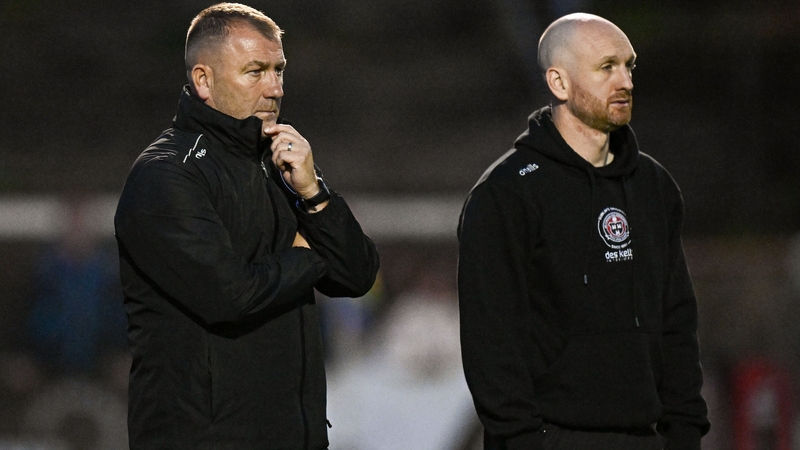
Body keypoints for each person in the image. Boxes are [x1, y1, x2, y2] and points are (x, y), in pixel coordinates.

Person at [113, 3, 379, 449]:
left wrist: (314, 194)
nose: (274, 88)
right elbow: (230, 296)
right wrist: (308, 251)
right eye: (255, 72)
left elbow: (356, 275)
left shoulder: (281, 161)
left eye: (279, 71)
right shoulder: (166, 174)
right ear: (204, 80)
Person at [457, 13, 709, 450]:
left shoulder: (654, 186)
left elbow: (678, 325)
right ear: (559, 82)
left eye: (629, 66)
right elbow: (491, 344)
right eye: (606, 67)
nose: (625, 81)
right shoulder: (506, 194)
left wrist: (684, 435)